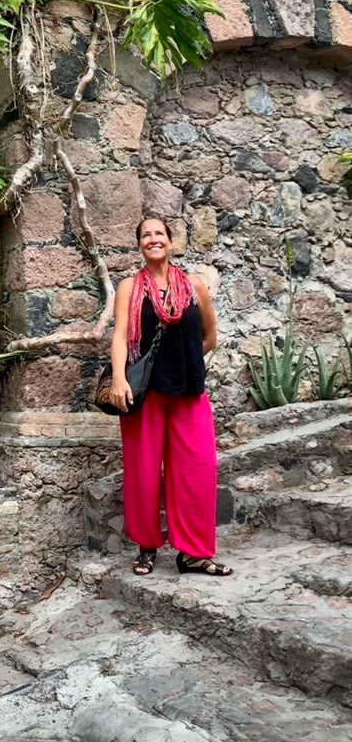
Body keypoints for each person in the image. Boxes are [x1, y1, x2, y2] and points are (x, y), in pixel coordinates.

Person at [108, 215, 233, 577]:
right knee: (144, 472)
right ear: (139, 245)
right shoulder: (130, 289)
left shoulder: (195, 287)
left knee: (199, 469)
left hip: (189, 390)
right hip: (144, 393)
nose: (153, 239)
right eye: (145, 235)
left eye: (159, 233)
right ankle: (147, 547)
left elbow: (210, 337)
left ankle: (193, 554)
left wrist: (188, 362)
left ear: (171, 242)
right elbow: (119, 336)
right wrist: (119, 378)